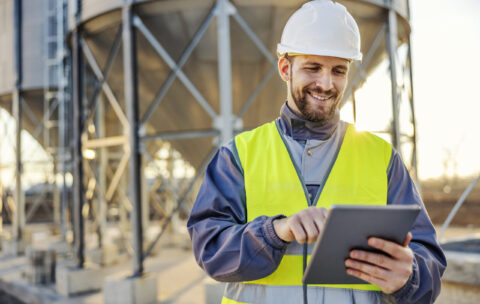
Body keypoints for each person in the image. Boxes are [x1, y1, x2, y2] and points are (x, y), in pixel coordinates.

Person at [187, 0, 446, 303]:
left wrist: (410, 277)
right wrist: (276, 231)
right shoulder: (239, 156)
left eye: (338, 70)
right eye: (313, 68)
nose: (326, 83)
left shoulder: (383, 158)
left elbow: (427, 261)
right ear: (286, 68)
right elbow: (210, 248)